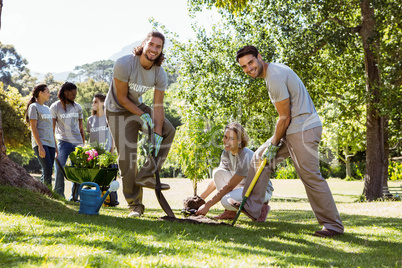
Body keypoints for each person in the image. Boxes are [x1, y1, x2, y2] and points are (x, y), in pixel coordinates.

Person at [231, 45, 344, 237]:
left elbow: (284, 117)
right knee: (259, 157)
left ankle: (333, 225)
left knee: (310, 176)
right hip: (294, 129)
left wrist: (274, 144)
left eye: (250, 62)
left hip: (303, 129)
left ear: (259, 57)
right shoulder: (273, 72)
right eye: (244, 66)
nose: (249, 69)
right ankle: (252, 206)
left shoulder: (274, 77)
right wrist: (273, 144)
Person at [105, 31, 176, 217]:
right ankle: (135, 204)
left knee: (168, 130)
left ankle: (147, 174)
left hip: (136, 106)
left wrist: (157, 135)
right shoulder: (124, 63)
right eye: (151, 44)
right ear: (143, 44)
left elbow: (158, 106)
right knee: (128, 157)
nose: (154, 49)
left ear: (161, 51)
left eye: (158, 47)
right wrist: (144, 116)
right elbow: (121, 98)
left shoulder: (160, 73)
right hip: (117, 110)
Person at [196, 122, 274, 221]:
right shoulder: (226, 153)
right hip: (244, 186)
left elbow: (229, 186)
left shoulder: (245, 156)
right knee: (218, 173)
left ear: (240, 141)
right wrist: (200, 200)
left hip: (260, 191)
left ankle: (261, 207)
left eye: (232, 139)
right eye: (225, 137)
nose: (227, 141)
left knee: (226, 201)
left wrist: (208, 205)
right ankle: (230, 213)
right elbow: (216, 180)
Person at [50, 82, 85, 199]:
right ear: (66, 92)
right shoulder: (55, 107)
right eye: (73, 93)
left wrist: (83, 144)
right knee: (60, 168)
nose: (75, 95)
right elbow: (52, 128)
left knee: (78, 170)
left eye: (76, 93)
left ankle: (76, 197)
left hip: (77, 142)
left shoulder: (78, 107)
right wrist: (54, 145)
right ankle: (59, 195)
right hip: (63, 142)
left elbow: (81, 128)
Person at [87, 93, 118, 206]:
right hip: (94, 154)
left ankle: (111, 200)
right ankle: (95, 199)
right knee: (95, 177)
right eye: (93, 102)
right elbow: (91, 137)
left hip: (106, 153)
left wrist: (112, 151)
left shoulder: (108, 118)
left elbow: (113, 135)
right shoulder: (90, 120)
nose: (93, 104)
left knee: (108, 177)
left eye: (96, 102)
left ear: (103, 104)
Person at [25, 84, 58, 187]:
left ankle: (44, 192)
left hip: (51, 143)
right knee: (47, 168)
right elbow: (33, 127)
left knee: (48, 169)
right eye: (47, 92)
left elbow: (51, 128)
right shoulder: (33, 107)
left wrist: (55, 145)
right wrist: (40, 146)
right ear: (41, 93)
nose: (49, 94)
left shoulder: (48, 109)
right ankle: (48, 194)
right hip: (41, 143)